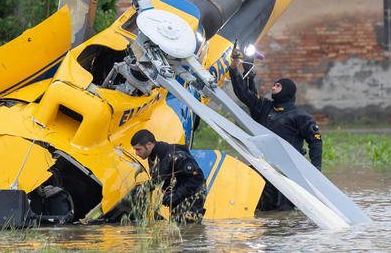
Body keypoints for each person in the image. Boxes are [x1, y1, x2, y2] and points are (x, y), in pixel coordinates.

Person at [229, 57, 323, 211]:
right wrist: (234, 69)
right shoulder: (264, 106)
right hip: (262, 168)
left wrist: (315, 170)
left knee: (283, 214)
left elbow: (316, 142)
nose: (273, 88)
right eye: (274, 85)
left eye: (277, 86)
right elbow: (244, 93)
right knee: (259, 210)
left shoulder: (301, 116)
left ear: (287, 90)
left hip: (287, 174)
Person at [131, 129, 206, 222]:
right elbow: (161, 179)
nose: (136, 153)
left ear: (149, 145)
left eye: (138, 149)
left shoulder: (175, 155)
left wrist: (176, 195)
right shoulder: (152, 156)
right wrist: (144, 188)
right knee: (175, 232)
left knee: (188, 232)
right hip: (176, 201)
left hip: (191, 201)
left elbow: (198, 176)